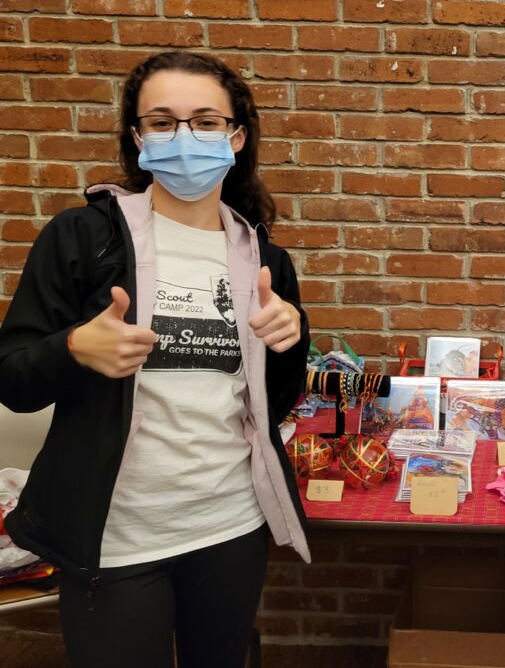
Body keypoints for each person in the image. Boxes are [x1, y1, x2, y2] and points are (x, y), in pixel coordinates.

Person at [0, 51, 311, 668]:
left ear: (236, 136)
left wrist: (291, 339)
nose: (185, 138)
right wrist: (72, 349)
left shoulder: (265, 260)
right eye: (163, 123)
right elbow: (13, 377)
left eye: (205, 121)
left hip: (231, 525)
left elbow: (275, 401)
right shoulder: (82, 238)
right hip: (116, 535)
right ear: (139, 138)